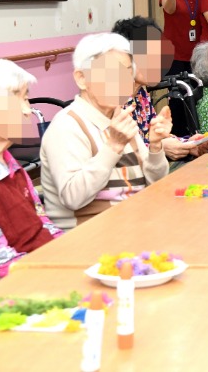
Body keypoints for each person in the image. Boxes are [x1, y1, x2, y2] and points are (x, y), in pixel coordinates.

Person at [41, 33, 170, 230]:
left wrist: (155, 147)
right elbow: (73, 197)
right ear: (82, 79)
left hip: (136, 224)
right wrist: (114, 147)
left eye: (127, 72)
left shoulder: (119, 118)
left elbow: (156, 183)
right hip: (90, 237)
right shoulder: (66, 126)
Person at [0, 59, 63, 295]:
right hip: (2, 300)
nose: (26, 109)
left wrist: (72, 251)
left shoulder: (5, 160)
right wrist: (63, 271)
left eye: (26, 97)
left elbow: (43, 224)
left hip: (41, 275)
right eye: (14, 98)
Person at [111, 17, 208, 161]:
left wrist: (189, 144)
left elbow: (155, 137)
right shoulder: (111, 100)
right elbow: (117, 155)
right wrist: (159, 148)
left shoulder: (140, 94)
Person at [158, 0, 205, 77]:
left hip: (200, 53)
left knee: (199, 94)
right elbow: (169, 9)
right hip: (174, 54)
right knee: (178, 95)